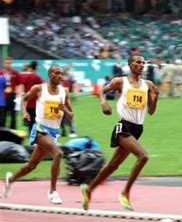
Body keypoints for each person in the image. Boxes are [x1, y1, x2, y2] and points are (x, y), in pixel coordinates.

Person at [80, 55, 159, 211]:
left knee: (113, 165)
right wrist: (104, 102)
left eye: (143, 63)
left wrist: (155, 98)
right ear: (130, 65)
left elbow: (151, 111)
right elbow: (102, 91)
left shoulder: (148, 85)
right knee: (143, 157)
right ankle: (125, 193)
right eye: (138, 62)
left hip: (138, 128)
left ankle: (88, 190)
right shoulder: (120, 81)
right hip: (124, 126)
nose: (141, 65)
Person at [2, 65, 74, 204]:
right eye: (56, 73)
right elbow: (23, 99)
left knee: (32, 165)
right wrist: (24, 112)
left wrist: (63, 107)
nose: (60, 76)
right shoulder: (39, 88)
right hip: (41, 129)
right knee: (58, 154)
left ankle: (10, 180)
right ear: (50, 74)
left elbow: (71, 116)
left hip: (53, 133)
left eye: (62, 74)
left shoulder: (64, 92)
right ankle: (53, 191)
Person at [18, 61, 43, 134]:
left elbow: (22, 88)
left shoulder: (25, 76)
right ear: (36, 67)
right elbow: (40, 91)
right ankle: (33, 137)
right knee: (35, 121)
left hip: (26, 102)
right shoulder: (37, 77)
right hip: (35, 103)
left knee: (29, 121)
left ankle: (30, 135)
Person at [0, 57, 20, 129]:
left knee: (13, 115)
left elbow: (19, 84)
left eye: (9, 63)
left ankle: (13, 131)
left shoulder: (15, 73)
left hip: (12, 96)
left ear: (11, 64)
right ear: (3, 64)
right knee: (3, 115)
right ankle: (3, 131)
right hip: (3, 97)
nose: (8, 65)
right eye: (6, 63)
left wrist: (18, 94)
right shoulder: (1, 73)